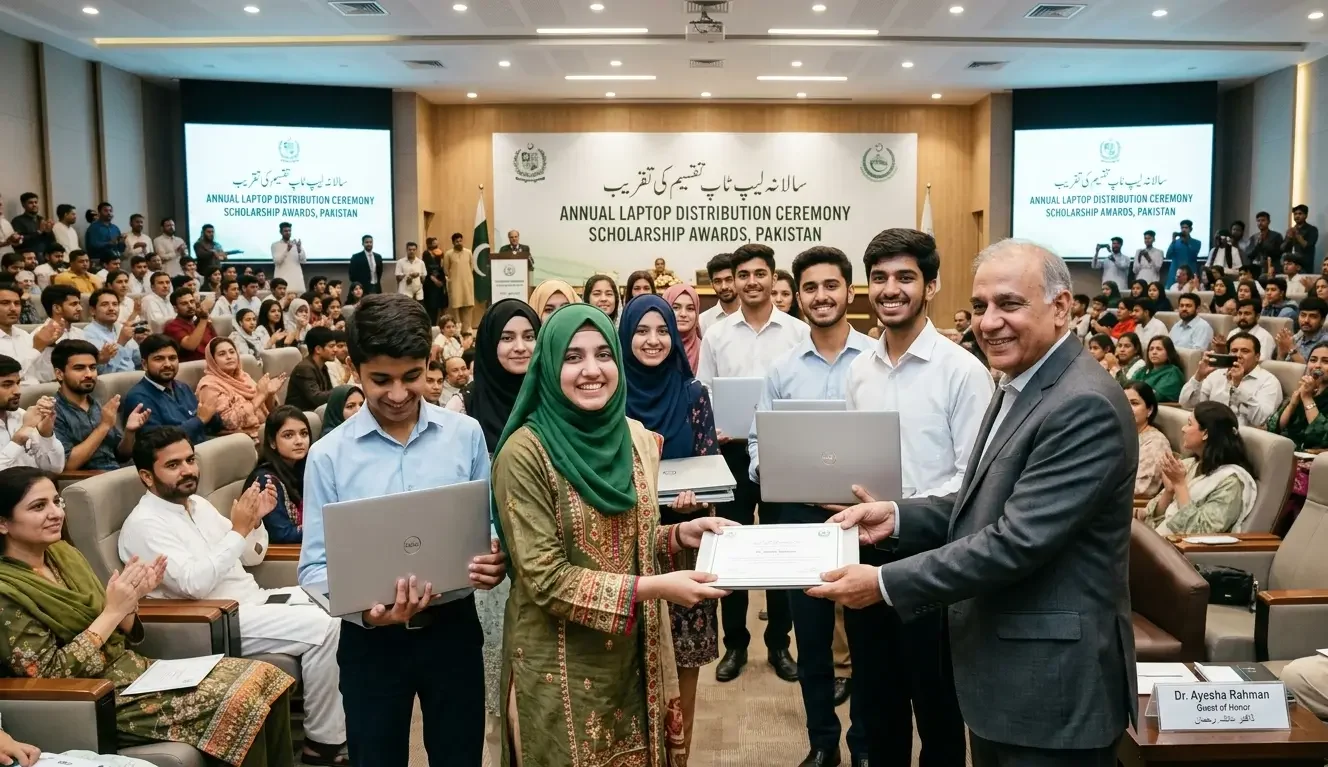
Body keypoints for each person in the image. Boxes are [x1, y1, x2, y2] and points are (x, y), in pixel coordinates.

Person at [809, 239, 1137, 767]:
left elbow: (1014, 542)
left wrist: (885, 583)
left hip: (1050, 689)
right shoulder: (1020, 384)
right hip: (1008, 672)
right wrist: (895, 516)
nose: (988, 322)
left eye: (1009, 305)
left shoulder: (1082, 404)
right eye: (981, 306)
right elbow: (977, 503)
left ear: (1061, 308)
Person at [491, 303, 731, 767]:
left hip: (635, 658)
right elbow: (545, 578)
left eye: (603, 354)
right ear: (548, 364)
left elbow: (630, 540)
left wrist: (679, 535)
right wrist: (657, 588)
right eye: (573, 357)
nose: (592, 370)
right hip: (559, 666)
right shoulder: (524, 454)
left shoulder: (635, 438)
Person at [297, 294, 507, 766]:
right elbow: (313, 566)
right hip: (371, 643)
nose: (397, 394)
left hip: (452, 630)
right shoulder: (328, 455)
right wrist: (369, 616)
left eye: (411, 377)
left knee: (460, 757)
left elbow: (488, 520)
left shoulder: (465, 434)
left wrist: (495, 555)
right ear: (355, 369)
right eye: (380, 380)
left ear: (428, 363)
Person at [0, 466, 297, 765]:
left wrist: (132, 600)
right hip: (96, 696)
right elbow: (51, 675)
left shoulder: (63, 555)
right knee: (240, 702)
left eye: (56, 502)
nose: (55, 513)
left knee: (266, 675)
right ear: (3, 523)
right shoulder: (6, 591)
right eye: (39, 507)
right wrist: (114, 611)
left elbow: (115, 628)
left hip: (132, 670)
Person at [836, 231, 992, 767]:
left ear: (931, 286)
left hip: (936, 560)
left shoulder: (963, 372)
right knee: (877, 709)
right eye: (879, 277)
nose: (890, 289)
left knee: (939, 712)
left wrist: (901, 513)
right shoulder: (859, 370)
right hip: (867, 559)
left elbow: (976, 487)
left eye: (905, 277)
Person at [119, 427, 348, 765]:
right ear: (147, 476)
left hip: (254, 599)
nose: (188, 470)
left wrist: (255, 523)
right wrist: (238, 529)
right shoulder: (144, 525)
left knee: (340, 594)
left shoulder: (196, 504)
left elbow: (249, 556)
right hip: (217, 619)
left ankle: (349, 717)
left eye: (190, 460)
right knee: (329, 626)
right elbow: (195, 585)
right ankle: (324, 743)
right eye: (174, 465)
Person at [744, 246, 871, 766]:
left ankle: (863, 744)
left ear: (849, 291)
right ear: (798, 296)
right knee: (812, 641)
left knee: (867, 641)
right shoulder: (780, 369)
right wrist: (775, 468)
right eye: (811, 288)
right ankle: (823, 743)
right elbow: (756, 446)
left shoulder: (877, 359)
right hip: (799, 518)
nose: (821, 296)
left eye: (831, 286)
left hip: (867, 519)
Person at [696, 243, 809, 683]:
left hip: (782, 452)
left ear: (773, 277)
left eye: (760, 274)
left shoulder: (796, 332)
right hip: (731, 452)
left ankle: (779, 644)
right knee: (734, 551)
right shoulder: (718, 335)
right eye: (743, 275)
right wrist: (716, 425)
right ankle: (735, 645)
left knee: (782, 552)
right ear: (734, 281)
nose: (751, 282)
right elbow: (703, 391)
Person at [618, 293, 721, 756]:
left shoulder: (694, 395)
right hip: (621, 549)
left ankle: (678, 756)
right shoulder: (607, 397)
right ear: (625, 336)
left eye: (662, 330)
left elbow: (709, 465)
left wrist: (697, 500)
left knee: (682, 669)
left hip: (683, 544)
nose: (654, 340)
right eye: (642, 330)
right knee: (625, 670)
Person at [1141, 402, 1257, 535]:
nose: (1183, 428)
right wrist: (1169, 491)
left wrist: (1180, 485)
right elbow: (1155, 518)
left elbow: (1200, 531)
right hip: (1158, 542)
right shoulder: (1190, 464)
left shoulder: (1231, 482)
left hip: (1184, 553)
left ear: (1205, 433)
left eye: (1189, 424)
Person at [447, 300, 539, 444]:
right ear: (489, 342)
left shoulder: (552, 396)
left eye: (529, 337)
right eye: (507, 338)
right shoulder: (462, 407)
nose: (520, 347)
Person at [52, 339, 150, 471]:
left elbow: (122, 455)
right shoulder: (52, 412)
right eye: (79, 368)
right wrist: (104, 426)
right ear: (59, 374)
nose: (89, 374)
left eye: (92, 367)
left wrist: (130, 432)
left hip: (117, 473)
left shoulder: (96, 404)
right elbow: (68, 464)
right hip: (88, 482)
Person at [122, 334, 220, 444]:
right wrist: (200, 420)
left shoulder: (182, 387)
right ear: (144, 364)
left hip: (203, 445)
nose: (168, 364)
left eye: (172, 358)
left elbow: (208, 423)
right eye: (159, 359)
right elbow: (158, 443)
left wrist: (213, 412)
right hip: (177, 457)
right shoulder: (138, 397)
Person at [1179, 332, 1282, 428]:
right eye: (1234, 351)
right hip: (1210, 432)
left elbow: (1262, 420)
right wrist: (1199, 376)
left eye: (1245, 351)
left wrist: (1237, 387)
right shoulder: (1216, 375)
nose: (1238, 355)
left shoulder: (1269, 381)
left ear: (1257, 357)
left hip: (1244, 439)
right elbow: (1186, 404)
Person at [245, 405, 311, 544]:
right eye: (289, 435)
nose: (299, 441)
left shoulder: (303, 468)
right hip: (283, 557)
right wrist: (326, 527)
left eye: (304, 433)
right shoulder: (266, 481)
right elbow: (281, 534)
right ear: (272, 442)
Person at [197, 338, 284, 442]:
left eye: (232, 352)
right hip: (239, 440)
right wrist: (260, 396)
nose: (229, 357)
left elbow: (270, 411)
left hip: (264, 430)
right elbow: (229, 422)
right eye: (222, 354)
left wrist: (269, 394)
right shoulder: (209, 386)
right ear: (213, 360)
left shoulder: (244, 377)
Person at [0, 355, 62, 472]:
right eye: (7, 385)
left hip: (35, 487)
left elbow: (55, 469)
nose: (17, 391)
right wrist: (18, 440)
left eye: (18, 383)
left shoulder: (22, 415)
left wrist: (46, 434)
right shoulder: (27, 423)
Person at [1125, 382, 1171, 498]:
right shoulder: (1120, 434)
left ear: (1149, 410)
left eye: (1134, 403)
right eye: (1123, 402)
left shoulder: (1156, 442)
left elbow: (1141, 489)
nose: (1127, 408)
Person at [83, 287, 141, 374]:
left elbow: (138, 360)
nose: (111, 308)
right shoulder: (87, 334)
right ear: (92, 311)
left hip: (134, 378)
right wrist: (121, 343)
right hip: (111, 384)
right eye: (105, 304)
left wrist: (143, 343)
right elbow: (103, 372)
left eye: (115, 304)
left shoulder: (121, 328)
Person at [286, 327, 337, 411]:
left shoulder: (323, 367)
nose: (335, 350)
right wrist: (341, 391)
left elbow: (328, 392)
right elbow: (317, 398)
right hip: (299, 415)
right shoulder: (304, 368)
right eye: (331, 346)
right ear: (318, 349)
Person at [162, 288, 216, 364]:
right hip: (190, 369)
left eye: (192, 301)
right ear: (175, 308)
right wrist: (204, 317)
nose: (190, 306)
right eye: (184, 303)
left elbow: (216, 345)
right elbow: (190, 345)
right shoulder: (172, 326)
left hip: (212, 364)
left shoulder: (202, 323)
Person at [1131, 336, 1184, 403]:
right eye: (1151, 349)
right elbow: (1127, 387)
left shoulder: (1172, 372)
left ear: (1168, 352)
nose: (1154, 352)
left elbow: (1156, 396)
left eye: (1159, 349)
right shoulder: (1143, 370)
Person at [1275, 296, 1328, 363]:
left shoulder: (1325, 342)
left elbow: (1311, 370)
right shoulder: (1296, 338)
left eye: (1313, 316)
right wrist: (1281, 353)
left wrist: (1291, 348)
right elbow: (1280, 368)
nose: (1306, 320)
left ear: (1322, 320)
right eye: (1303, 315)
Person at [442, 232, 476, 330]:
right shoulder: (448, 254)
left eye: (460, 241)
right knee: (455, 307)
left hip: (467, 284)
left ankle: (466, 331)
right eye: (457, 241)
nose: (459, 243)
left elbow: (471, 267)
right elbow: (446, 270)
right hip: (455, 284)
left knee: (468, 307)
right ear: (453, 242)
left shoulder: (468, 252)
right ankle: (456, 331)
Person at [699, 252, 737, 332]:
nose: (724, 287)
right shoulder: (702, 321)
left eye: (729, 279)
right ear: (711, 283)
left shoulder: (753, 315)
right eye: (717, 281)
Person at [270, 222, 307, 293]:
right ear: (281, 232)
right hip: (282, 281)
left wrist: (299, 249)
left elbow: (303, 261)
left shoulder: (296, 244)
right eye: (285, 231)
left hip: (297, 281)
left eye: (289, 231)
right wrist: (287, 250)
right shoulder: (275, 245)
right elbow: (277, 261)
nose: (288, 232)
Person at [1166, 219, 1203, 286]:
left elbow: (1193, 256)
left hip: (1189, 273)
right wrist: (1173, 241)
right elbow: (1168, 255)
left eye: (1186, 228)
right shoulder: (1175, 242)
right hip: (1175, 273)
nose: (1184, 230)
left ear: (1190, 229)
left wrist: (1187, 243)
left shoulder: (1197, 242)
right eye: (1182, 227)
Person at [1284, 203, 1320, 272]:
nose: (1297, 216)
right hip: (1291, 266)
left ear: (1306, 215)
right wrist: (1288, 238)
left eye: (1300, 214)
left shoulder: (1312, 229)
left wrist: (1297, 235)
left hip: (1305, 266)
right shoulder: (1291, 230)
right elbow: (1282, 248)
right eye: (1295, 214)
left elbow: (1308, 246)